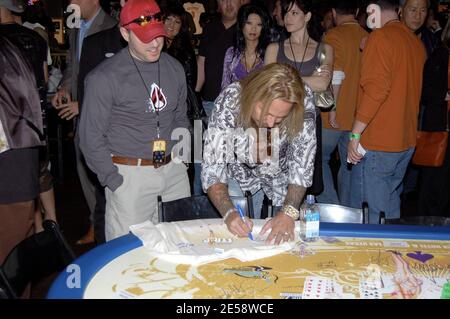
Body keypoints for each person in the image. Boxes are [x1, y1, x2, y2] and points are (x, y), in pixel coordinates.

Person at [79, 0, 191, 241]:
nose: (154, 43)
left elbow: (181, 117)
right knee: (130, 254)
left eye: (158, 36)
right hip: (129, 176)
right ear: (124, 33)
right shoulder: (104, 77)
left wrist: (182, 160)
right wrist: (114, 180)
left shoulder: (174, 68)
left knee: (179, 244)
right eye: (144, 37)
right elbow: (90, 137)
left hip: (173, 174)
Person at [202, 63, 317, 244]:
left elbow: (302, 164)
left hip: (282, 174)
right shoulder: (230, 101)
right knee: (240, 237)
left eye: (280, 118)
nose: (271, 123)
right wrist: (229, 213)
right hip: (240, 173)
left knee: (286, 235)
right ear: (253, 96)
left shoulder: (304, 99)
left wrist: (288, 212)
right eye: (267, 113)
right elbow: (213, 169)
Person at [51, 0, 124, 244]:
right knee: (85, 174)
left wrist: (83, 105)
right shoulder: (76, 26)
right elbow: (74, 65)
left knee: (105, 177)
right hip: (81, 119)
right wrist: (64, 88)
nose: (71, 2)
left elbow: (117, 81)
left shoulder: (113, 28)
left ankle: (107, 230)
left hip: (106, 121)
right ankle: (97, 224)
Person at [347, 0, 426, 222]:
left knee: (368, 216)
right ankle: (392, 254)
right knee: (389, 211)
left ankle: (374, 256)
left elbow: (376, 91)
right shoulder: (414, 42)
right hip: (405, 140)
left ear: (374, 11)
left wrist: (355, 134)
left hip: (378, 141)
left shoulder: (380, 37)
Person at [265, 0, 333, 197]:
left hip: (309, 123)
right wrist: (310, 79)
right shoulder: (274, 48)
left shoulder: (324, 49)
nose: (288, 18)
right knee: (275, 185)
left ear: (308, 16)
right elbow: (269, 85)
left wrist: (285, 79)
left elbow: (323, 84)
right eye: (286, 13)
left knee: (305, 184)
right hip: (279, 122)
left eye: (294, 13)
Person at [317, 0, 368, 206]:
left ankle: (332, 208)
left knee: (318, 163)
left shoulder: (332, 36)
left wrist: (333, 109)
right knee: (349, 167)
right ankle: (348, 213)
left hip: (332, 115)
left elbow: (333, 75)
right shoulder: (369, 37)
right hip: (358, 118)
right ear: (356, 11)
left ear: (334, 12)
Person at [0, 35, 44, 263]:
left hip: (9, 173)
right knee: (15, 264)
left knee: (10, 265)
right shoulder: (8, 47)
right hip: (17, 165)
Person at [194, 0, 242, 195]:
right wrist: (194, 96)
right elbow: (201, 63)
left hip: (237, 109)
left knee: (230, 161)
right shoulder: (210, 28)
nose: (229, 4)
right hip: (209, 104)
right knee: (202, 157)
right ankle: (199, 205)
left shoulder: (247, 27)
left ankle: (232, 205)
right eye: (224, 0)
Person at [417, 20, 450, 217]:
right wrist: (444, 94)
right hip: (440, 128)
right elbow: (426, 90)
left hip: (442, 126)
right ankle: (429, 224)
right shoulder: (441, 55)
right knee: (435, 180)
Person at [221, 4, 270, 90]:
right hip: (235, 102)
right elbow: (225, 86)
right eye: (249, 23)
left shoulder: (269, 52)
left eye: (259, 24)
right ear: (241, 25)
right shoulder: (232, 53)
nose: (253, 29)